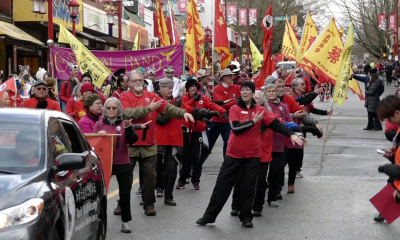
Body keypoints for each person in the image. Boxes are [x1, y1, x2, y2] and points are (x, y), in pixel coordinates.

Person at [196, 82, 304, 228]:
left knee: (249, 187)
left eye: (248, 90)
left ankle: (246, 216)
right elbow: (235, 128)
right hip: (233, 155)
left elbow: (275, 124)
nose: (245, 92)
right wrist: (254, 122)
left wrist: (291, 134)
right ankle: (209, 216)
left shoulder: (260, 110)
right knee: (222, 185)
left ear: (253, 93)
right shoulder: (234, 108)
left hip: (253, 155)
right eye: (243, 90)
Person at [119, 69, 194, 216]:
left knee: (150, 177)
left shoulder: (151, 96)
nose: (138, 83)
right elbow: (128, 114)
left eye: (140, 80)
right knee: (125, 176)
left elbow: (167, 108)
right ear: (128, 83)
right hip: (131, 144)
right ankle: (121, 203)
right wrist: (149, 109)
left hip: (149, 143)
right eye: (135, 81)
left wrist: (183, 113)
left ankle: (149, 204)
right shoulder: (124, 96)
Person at [93, 97, 139, 233]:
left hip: (123, 163)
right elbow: (92, 143)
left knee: (125, 194)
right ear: (104, 110)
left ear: (119, 109)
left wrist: (129, 128)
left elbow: (133, 141)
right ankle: (98, 220)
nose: (111, 110)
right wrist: (98, 135)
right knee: (101, 194)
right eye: (109, 108)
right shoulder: (99, 125)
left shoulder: (124, 123)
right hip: (104, 164)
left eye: (114, 108)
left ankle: (125, 221)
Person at [177, 77, 225, 190]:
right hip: (185, 130)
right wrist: (193, 100)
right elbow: (184, 108)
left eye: (195, 87)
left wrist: (223, 112)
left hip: (198, 131)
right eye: (191, 87)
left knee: (197, 157)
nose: (193, 88)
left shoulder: (203, 99)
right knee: (185, 156)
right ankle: (182, 179)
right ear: (187, 89)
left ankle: (196, 180)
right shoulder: (182, 99)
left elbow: (213, 105)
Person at [207, 69, 239, 157]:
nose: (231, 77)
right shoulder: (217, 88)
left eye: (231, 75)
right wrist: (235, 101)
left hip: (228, 121)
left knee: (229, 144)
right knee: (208, 144)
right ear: (223, 78)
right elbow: (221, 104)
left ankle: (227, 166)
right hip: (217, 120)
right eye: (229, 76)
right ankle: (197, 165)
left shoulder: (236, 88)